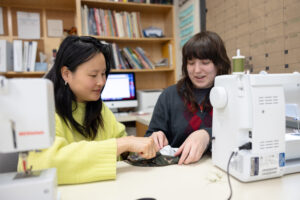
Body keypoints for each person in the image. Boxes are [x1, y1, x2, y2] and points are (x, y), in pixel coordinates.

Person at [17, 36, 156, 184]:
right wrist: (122, 144)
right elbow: (41, 165)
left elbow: (121, 143)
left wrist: (143, 148)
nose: (101, 82)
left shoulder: (98, 107)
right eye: (93, 75)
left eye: (103, 74)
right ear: (66, 74)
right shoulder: (42, 108)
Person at [145, 31, 231, 165]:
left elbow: (244, 136)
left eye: (205, 62)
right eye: (191, 63)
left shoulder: (233, 94)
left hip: (221, 168)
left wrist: (208, 134)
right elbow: (149, 136)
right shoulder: (169, 95)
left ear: (219, 64)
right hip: (178, 170)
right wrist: (154, 138)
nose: (196, 70)